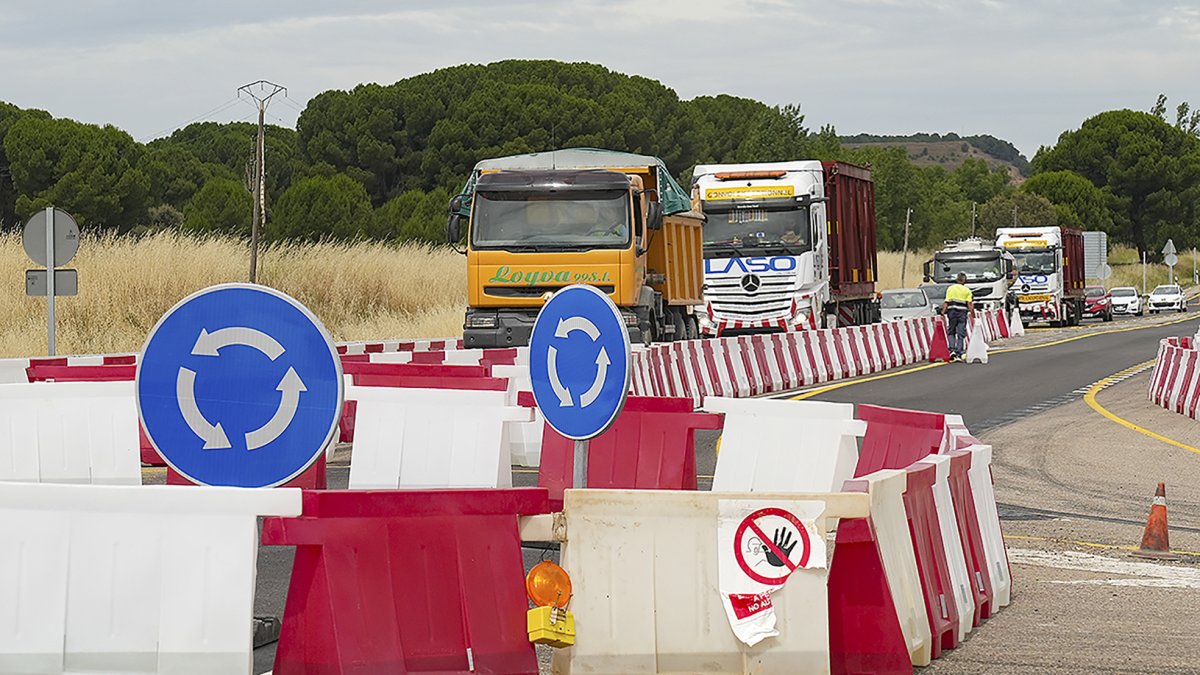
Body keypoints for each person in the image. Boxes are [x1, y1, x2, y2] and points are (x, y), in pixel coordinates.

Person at [942, 272, 975, 361]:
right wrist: (973, 314)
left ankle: (951, 350)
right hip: (962, 313)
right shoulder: (967, 290)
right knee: (961, 334)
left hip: (952, 312)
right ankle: (959, 352)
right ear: (964, 281)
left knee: (951, 332)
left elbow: (946, 302)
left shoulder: (950, 288)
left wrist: (942, 312)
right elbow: (969, 304)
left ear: (957, 279)